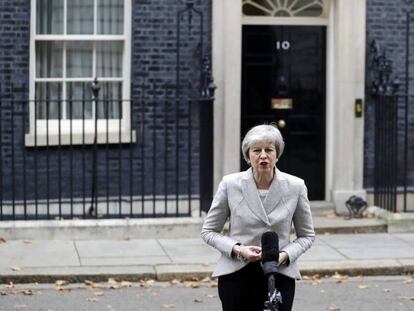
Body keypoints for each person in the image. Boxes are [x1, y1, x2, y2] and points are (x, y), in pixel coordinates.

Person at [201, 124, 315, 311]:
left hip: (279, 274)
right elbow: (208, 232)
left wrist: (284, 255)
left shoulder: (296, 186)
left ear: (277, 154)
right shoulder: (230, 184)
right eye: (256, 150)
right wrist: (238, 249)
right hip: (237, 273)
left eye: (269, 150)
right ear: (248, 156)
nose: (263, 155)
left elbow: (307, 236)